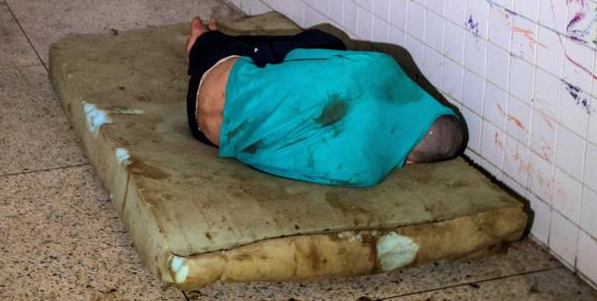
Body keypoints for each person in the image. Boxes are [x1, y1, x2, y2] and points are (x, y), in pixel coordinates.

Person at [185, 17, 466, 187]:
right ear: (414, 160)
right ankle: (211, 43)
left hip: (218, 70)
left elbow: (293, 59)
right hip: (205, 129)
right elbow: (281, 165)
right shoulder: (367, 173)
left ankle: (204, 39)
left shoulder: (383, 66)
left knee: (327, 42)